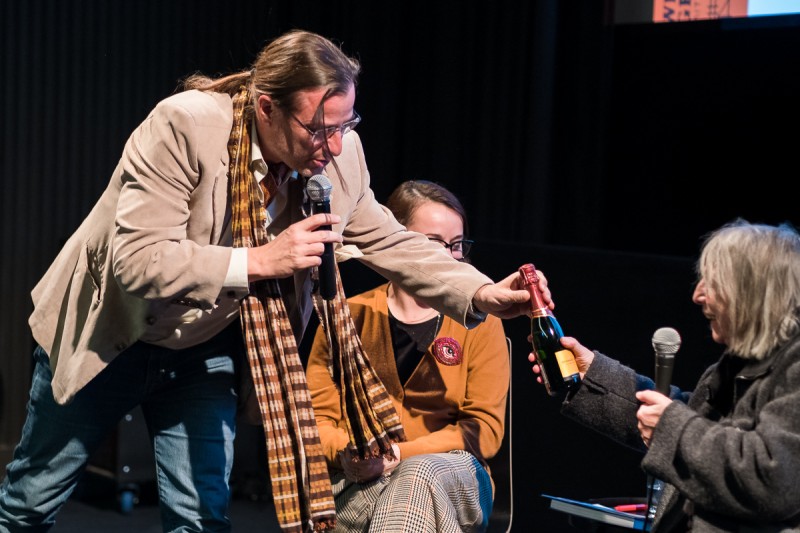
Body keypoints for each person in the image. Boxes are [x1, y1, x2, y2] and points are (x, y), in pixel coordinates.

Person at [0, 30, 547, 533]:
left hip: (201, 347)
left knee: (201, 518)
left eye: (345, 126)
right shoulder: (185, 126)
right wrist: (260, 261)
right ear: (267, 108)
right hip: (112, 328)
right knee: (31, 503)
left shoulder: (339, 155)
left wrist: (482, 292)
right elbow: (139, 260)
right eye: (320, 129)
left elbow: (389, 238)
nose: (335, 146)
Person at [529, 219, 800, 532]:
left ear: (754, 291)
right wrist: (592, 374)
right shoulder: (735, 365)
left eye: (714, 283)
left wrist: (671, 425)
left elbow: (776, 479)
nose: (698, 295)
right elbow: (686, 420)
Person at [306, 180, 509, 533]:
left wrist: (399, 455)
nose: (449, 258)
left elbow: (485, 431)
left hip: (455, 475)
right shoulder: (347, 315)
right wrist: (350, 454)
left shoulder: (481, 322)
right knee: (405, 498)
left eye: (457, 245)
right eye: (433, 244)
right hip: (356, 479)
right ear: (393, 241)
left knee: (417, 473)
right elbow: (316, 420)